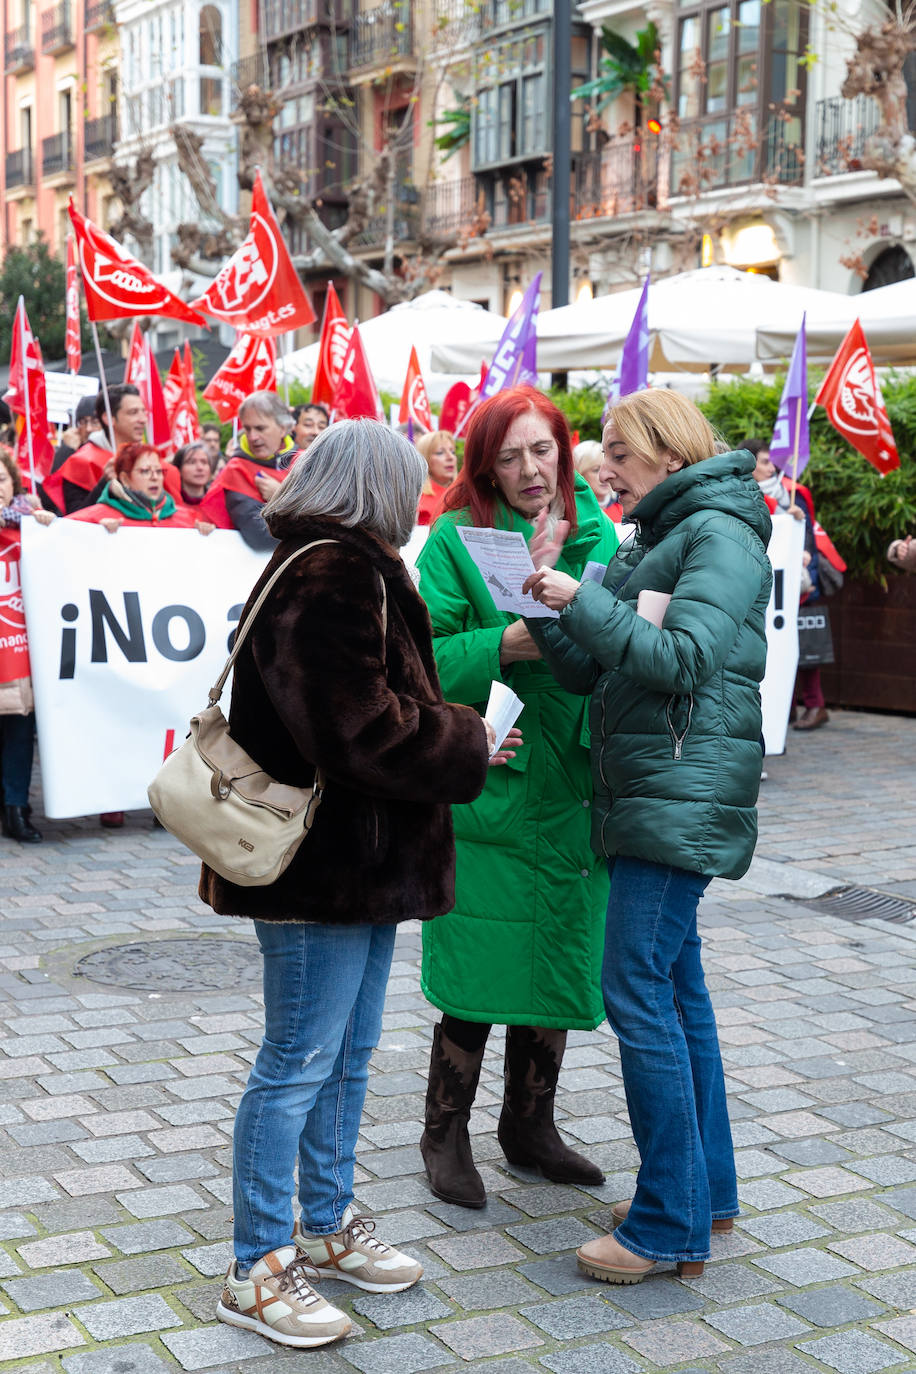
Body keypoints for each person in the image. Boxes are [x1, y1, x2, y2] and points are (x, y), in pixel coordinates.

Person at [198, 419, 512, 1350]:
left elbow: (372, 711)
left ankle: (327, 1228)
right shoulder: (332, 570)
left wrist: (462, 731)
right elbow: (354, 728)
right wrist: (466, 739)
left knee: (341, 1055)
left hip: (362, 864)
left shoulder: (343, 564)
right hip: (321, 868)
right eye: (414, 484)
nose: (424, 501)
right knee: (299, 1059)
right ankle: (257, 1265)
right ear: (377, 488)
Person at [522, 390, 772, 1284]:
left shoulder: (721, 535)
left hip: (680, 793)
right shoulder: (660, 533)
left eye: (617, 452)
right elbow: (592, 665)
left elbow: (682, 661)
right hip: (654, 790)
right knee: (674, 986)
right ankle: (702, 1192)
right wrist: (551, 597)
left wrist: (574, 600)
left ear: (668, 451)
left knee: (636, 988)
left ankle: (668, 1224)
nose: (604, 469)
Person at [416, 385, 620, 1209]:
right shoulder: (453, 536)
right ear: (484, 466)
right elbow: (418, 656)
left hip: (570, 781)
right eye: (509, 456)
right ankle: (444, 1130)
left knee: (558, 958)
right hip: (492, 769)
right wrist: (502, 641)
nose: (530, 469)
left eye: (542, 450)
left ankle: (529, 1125)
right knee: (478, 966)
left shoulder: (598, 528)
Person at [0, 448, 55, 844]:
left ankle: (16, 807)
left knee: (19, 728)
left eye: (0, 479)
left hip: (21, 648)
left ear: (13, 484)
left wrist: (51, 528)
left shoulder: (30, 525)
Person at [42, 384, 181, 514]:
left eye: (143, 412)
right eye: (133, 412)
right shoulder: (81, 463)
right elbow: (76, 520)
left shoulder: (159, 465)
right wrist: (104, 484)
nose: (143, 419)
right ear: (109, 418)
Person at [198, 391, 300, 550]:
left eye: (260, 428)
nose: (252, 437)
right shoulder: (236, 470)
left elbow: (330, 521)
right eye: (247, 428)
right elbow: (260, 537)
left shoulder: (306, 463)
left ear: (282, 428)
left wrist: (280, 496)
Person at [67, 443, 206, 530]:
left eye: (158, 471)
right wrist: (96, 534)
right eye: (145, 471)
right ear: (125, 479)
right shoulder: (96, 519)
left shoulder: (191, 520)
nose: (155, 477)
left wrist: (206, 534)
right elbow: (61, 533)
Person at [573, 439, 622, 521]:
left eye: (608, 469)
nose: (605, 476)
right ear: (579, 473)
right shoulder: (570, 513)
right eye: (596, 470)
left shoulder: (625, 509)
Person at [415, 429, 457, 525]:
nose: (450, 457)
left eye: (453, 452)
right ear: (425, 459)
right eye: (440, 452)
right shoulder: (417, 500)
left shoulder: (467, 494)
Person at [52, 394, 97, 472]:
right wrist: (67, 449)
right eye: (83, 422)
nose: (88, 428)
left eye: (95, 422)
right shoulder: (71, 447)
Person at [172, 441, 214, 505]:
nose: (200, 468)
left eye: (204, 462)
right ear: (178, 469)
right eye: (192, 462)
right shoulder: (170, 504)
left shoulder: (219, 501)